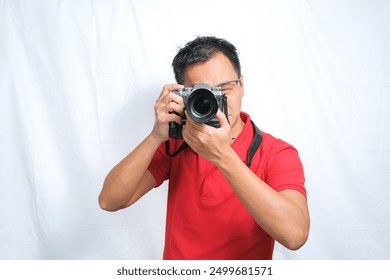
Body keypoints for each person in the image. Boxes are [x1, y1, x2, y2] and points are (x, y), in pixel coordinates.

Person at [98, 36, 310, 260]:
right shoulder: (177, 143)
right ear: (184, 96)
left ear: (242, 85)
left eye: (224, 88)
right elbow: (109, 201)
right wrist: (155, 136)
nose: (218, 101)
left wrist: (223, 157)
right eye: (203, 94)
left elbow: (295, 235)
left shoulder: (275, 152)